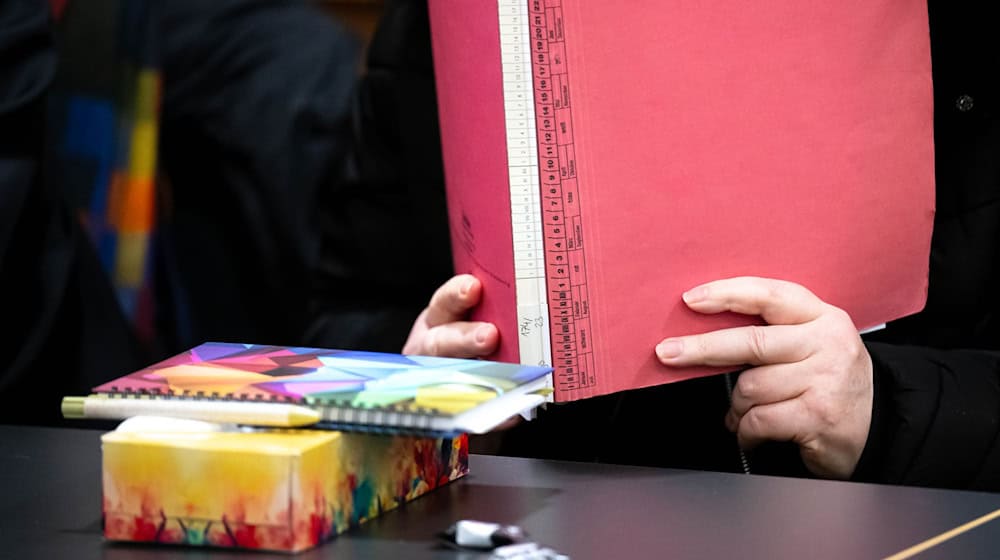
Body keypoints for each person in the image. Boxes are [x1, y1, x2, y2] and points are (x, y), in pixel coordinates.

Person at [401, 1, 1000, 492]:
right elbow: (342, 307)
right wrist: (407, 408)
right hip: (529, 521)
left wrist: (888, 412)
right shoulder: (447, 22)